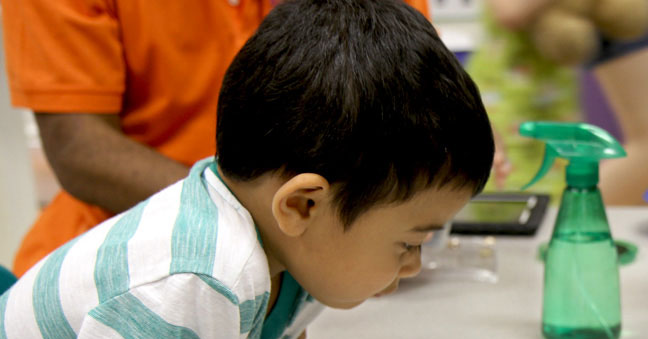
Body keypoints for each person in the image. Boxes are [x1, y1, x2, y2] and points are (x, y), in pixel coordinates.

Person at [0, 0, 495, 339]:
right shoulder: (198, 280)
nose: (412, 267)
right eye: (408, 243)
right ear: (302, 204)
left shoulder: (295, 249)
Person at [1, 0, 429, 278]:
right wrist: (273, 228)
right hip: (118, 267)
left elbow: (413, 106)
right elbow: (80, 149)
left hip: (322, 255)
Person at [477, 0, 648, 205]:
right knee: (518, 183)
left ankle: (572, 220)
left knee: (552, 175)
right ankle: (572, 220)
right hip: (514, 97)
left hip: (549, 94)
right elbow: (510, 9)